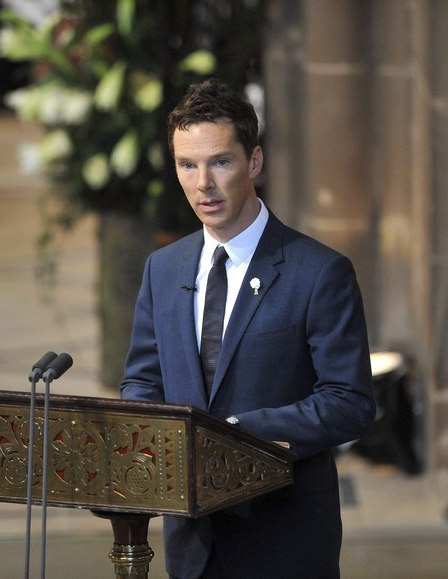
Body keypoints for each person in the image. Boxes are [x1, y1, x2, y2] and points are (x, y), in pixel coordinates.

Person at [120, 78, 376, 578]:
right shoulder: (163, 268)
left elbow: (350, 402)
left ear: (254, 162)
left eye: (220, 162)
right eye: (186, 165)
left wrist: (235, 435)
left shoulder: (318, 272)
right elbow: (142, 381)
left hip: (283, 540)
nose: (203, 185)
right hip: (193, 545)